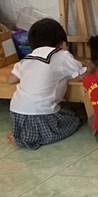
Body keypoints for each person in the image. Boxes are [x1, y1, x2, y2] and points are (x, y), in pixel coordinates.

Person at [5, 18, 84, 150]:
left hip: (17, 113)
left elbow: (10, 80)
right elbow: (82, 75)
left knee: (63, 111)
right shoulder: (63, 55)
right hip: (41, 114)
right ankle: (29, 138)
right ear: (63, 43)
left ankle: (22, 135)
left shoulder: (26, 59)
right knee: (74, 120)